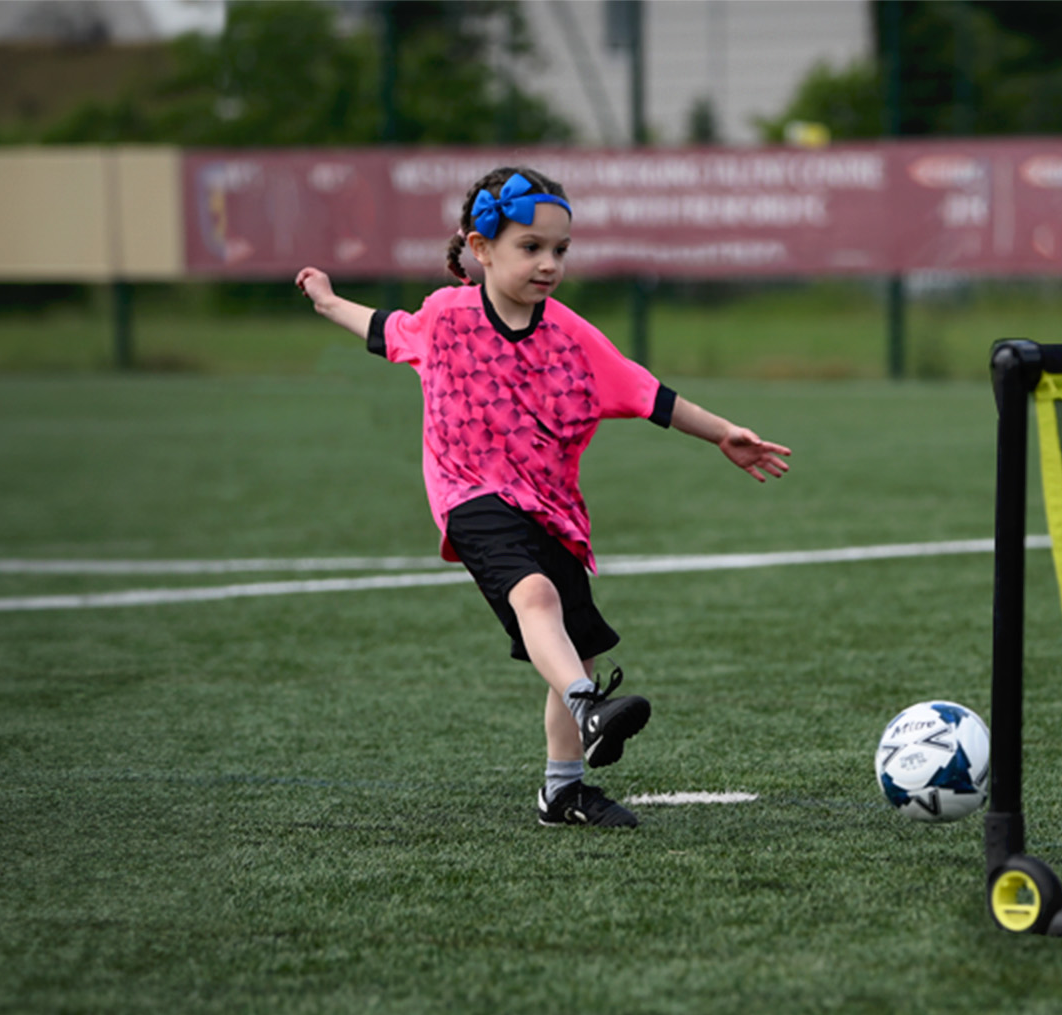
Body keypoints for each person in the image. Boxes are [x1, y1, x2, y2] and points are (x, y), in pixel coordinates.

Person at [293, 166, 793, 829]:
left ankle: (562, 792)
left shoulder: (572, 335)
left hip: (553, 510)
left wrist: (724, 433)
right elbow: (380, 328)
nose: (549, 263)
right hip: (470, 498)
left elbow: (652, 396)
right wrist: (328, 300)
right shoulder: (446, 317)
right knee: (537, 598)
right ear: (481, 247)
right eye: (531, 247)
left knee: (575, 647)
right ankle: (589, 707)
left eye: (560, 250)